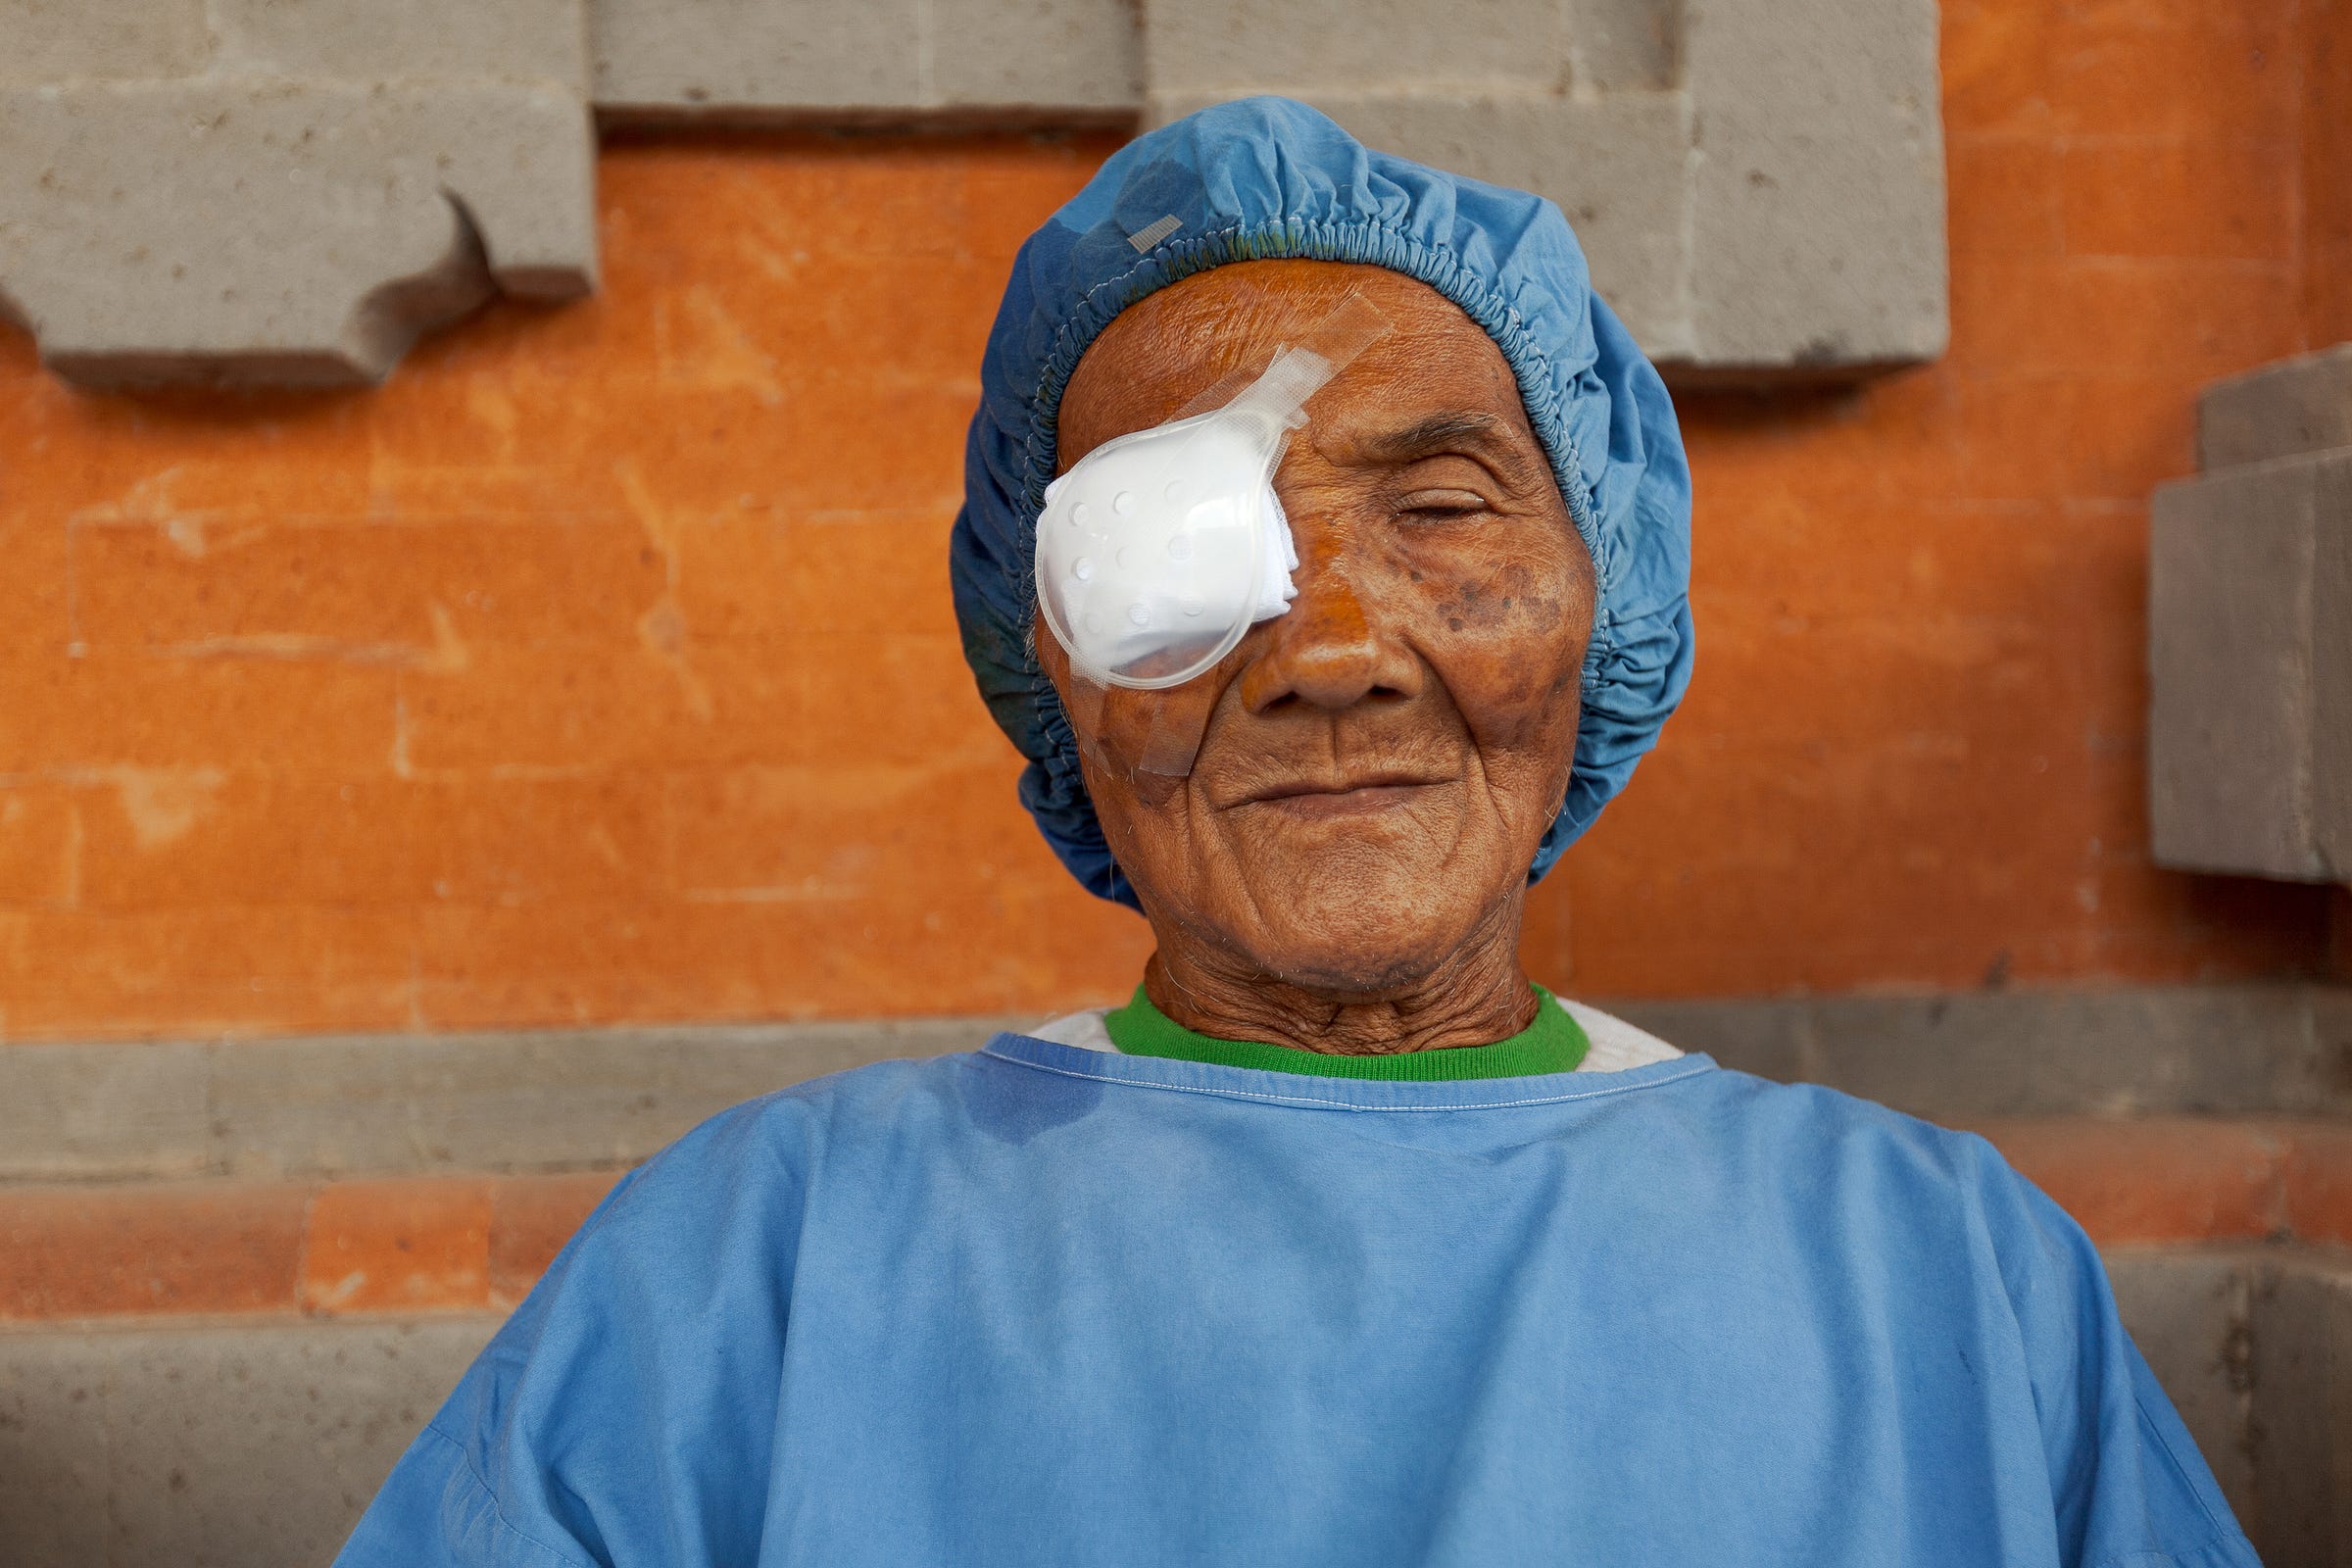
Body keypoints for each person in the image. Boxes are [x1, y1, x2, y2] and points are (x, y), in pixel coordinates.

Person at [335, 97, 2256, 1567]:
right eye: (1182, 552)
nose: (1331, 653)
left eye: (1440, 511)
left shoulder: (1953, 1277)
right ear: (1063, 680)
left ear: (1603, 608)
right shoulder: (752, 1264)